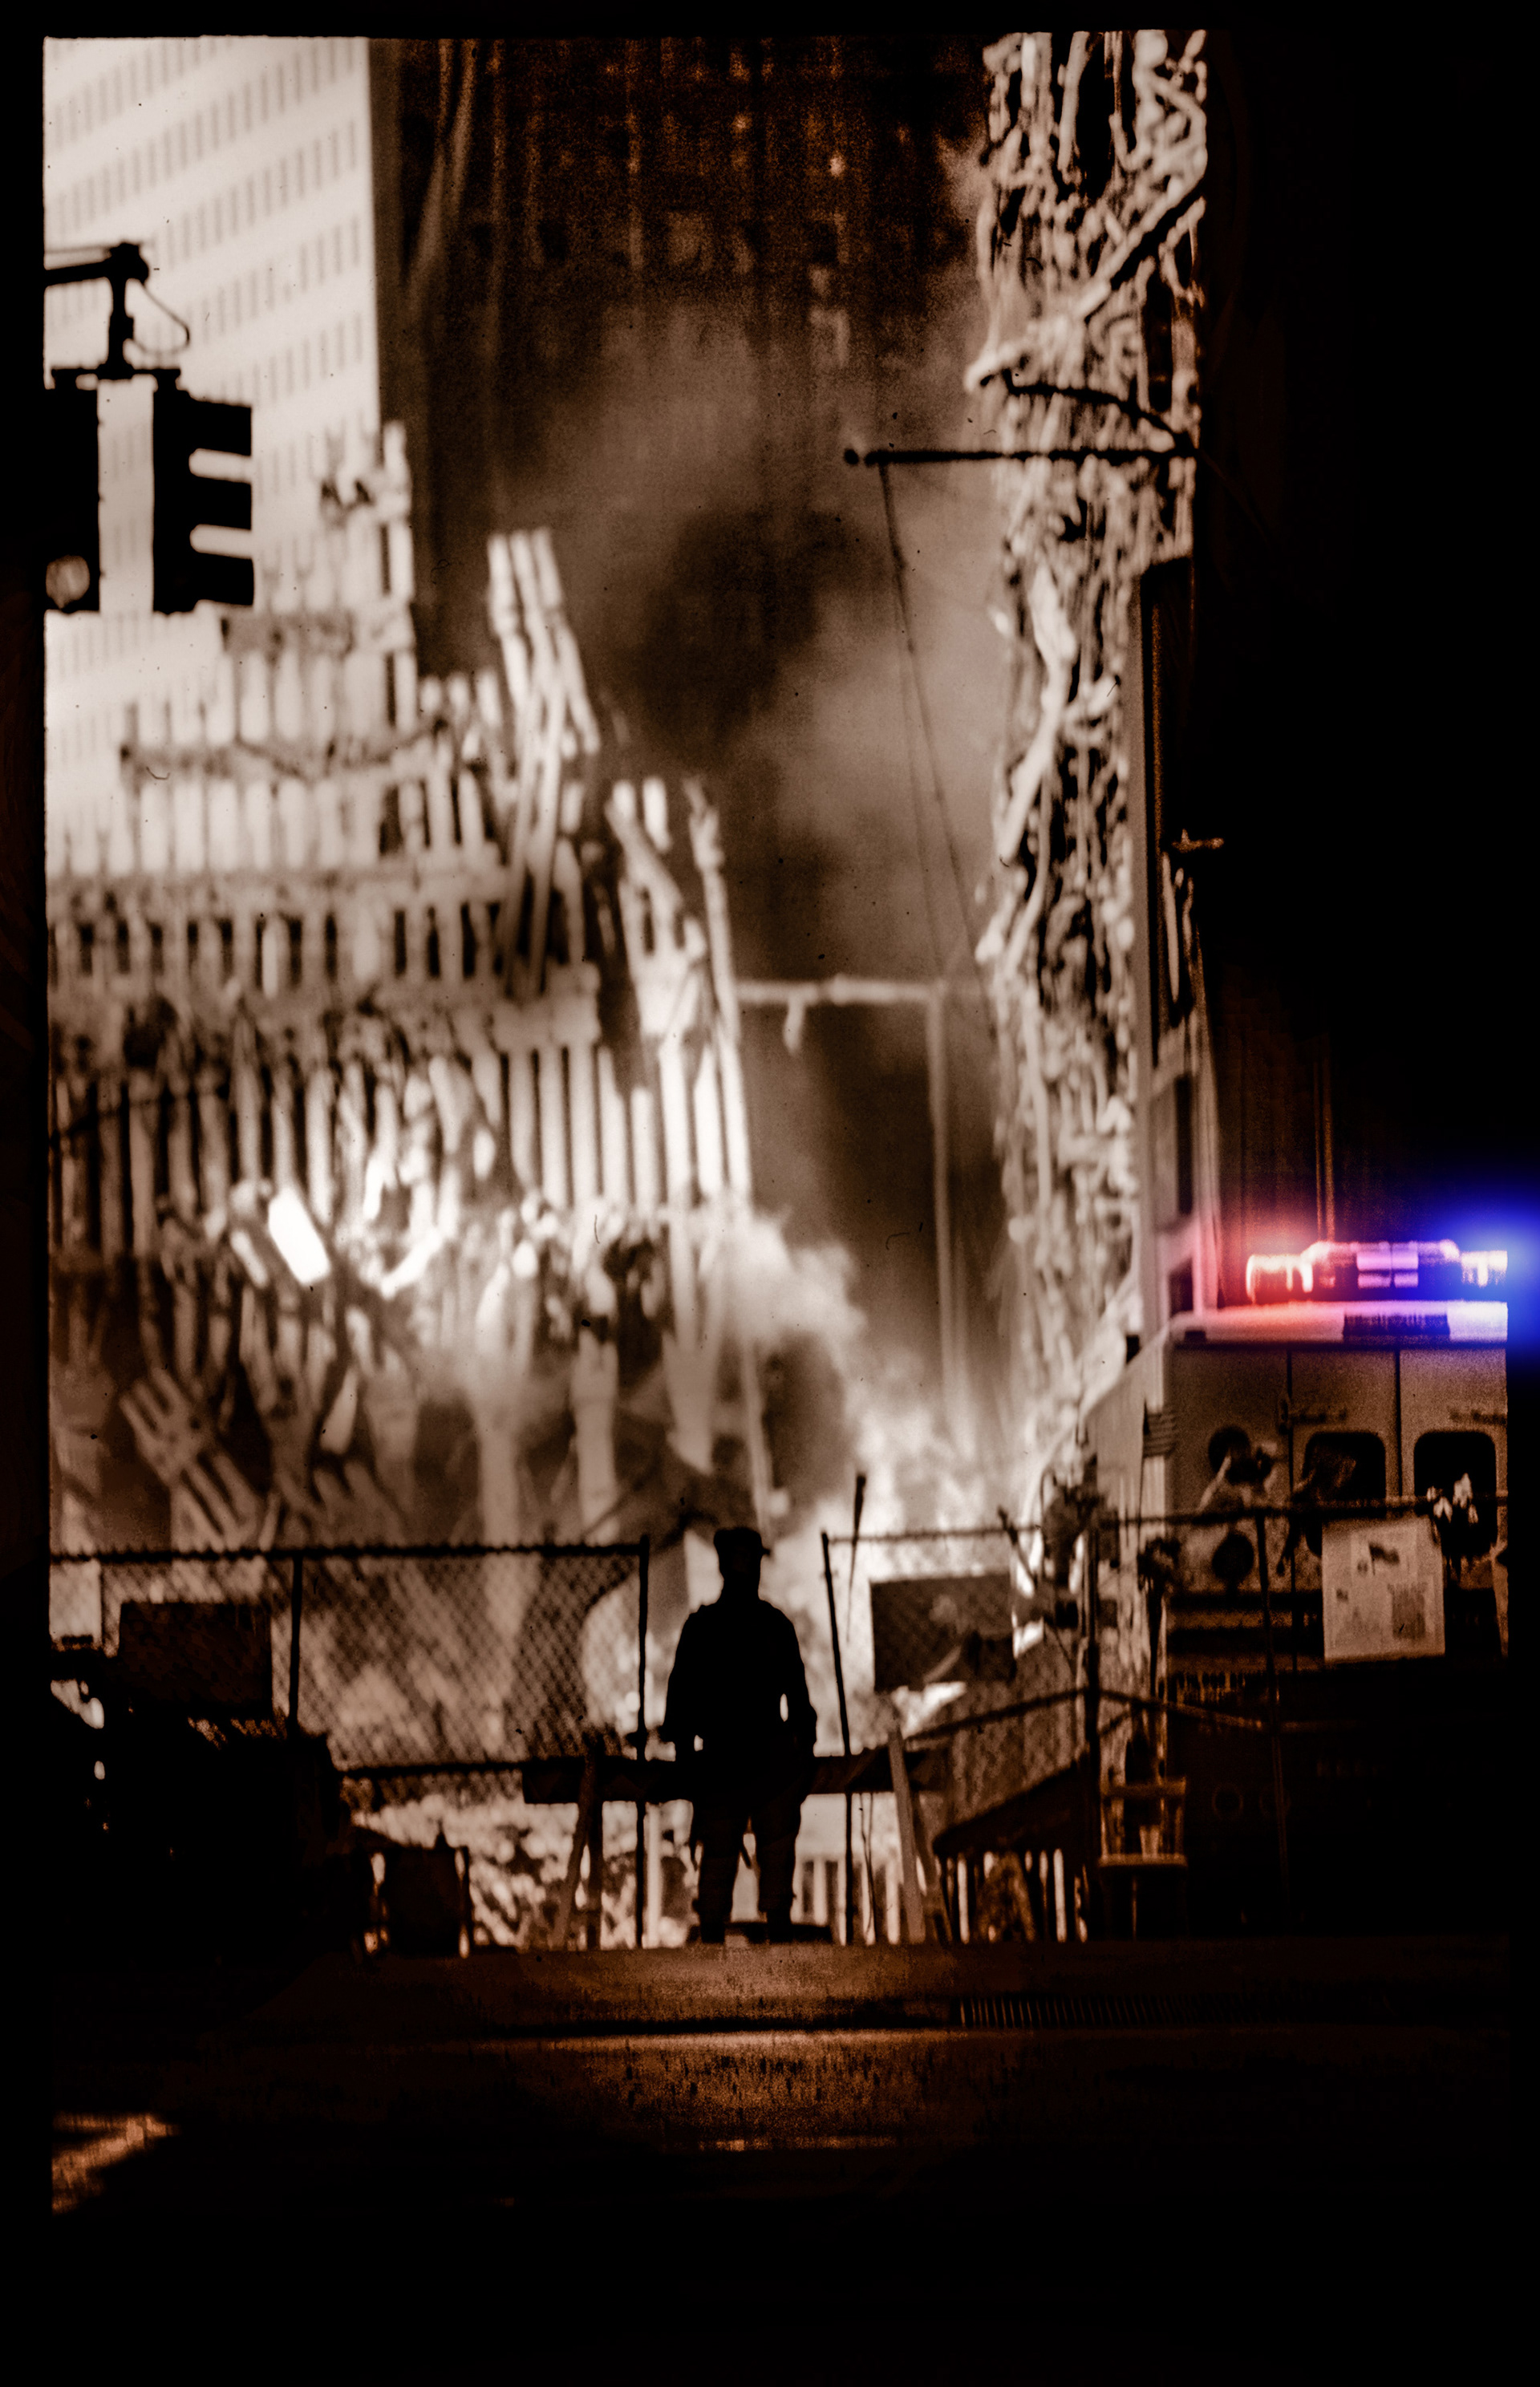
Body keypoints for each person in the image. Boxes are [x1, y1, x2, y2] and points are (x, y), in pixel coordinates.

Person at [663, 1525, 817, 1944]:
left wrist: (689, 1766)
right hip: (757, 1763)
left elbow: (679, 1711)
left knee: (722, 1863)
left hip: (729, 1765)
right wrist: (802, 1761)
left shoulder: (706, 1628)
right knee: (763, 1860)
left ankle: (725, 1951)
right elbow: (801, 1710)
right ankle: (772, 1949)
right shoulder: (772, 1626)